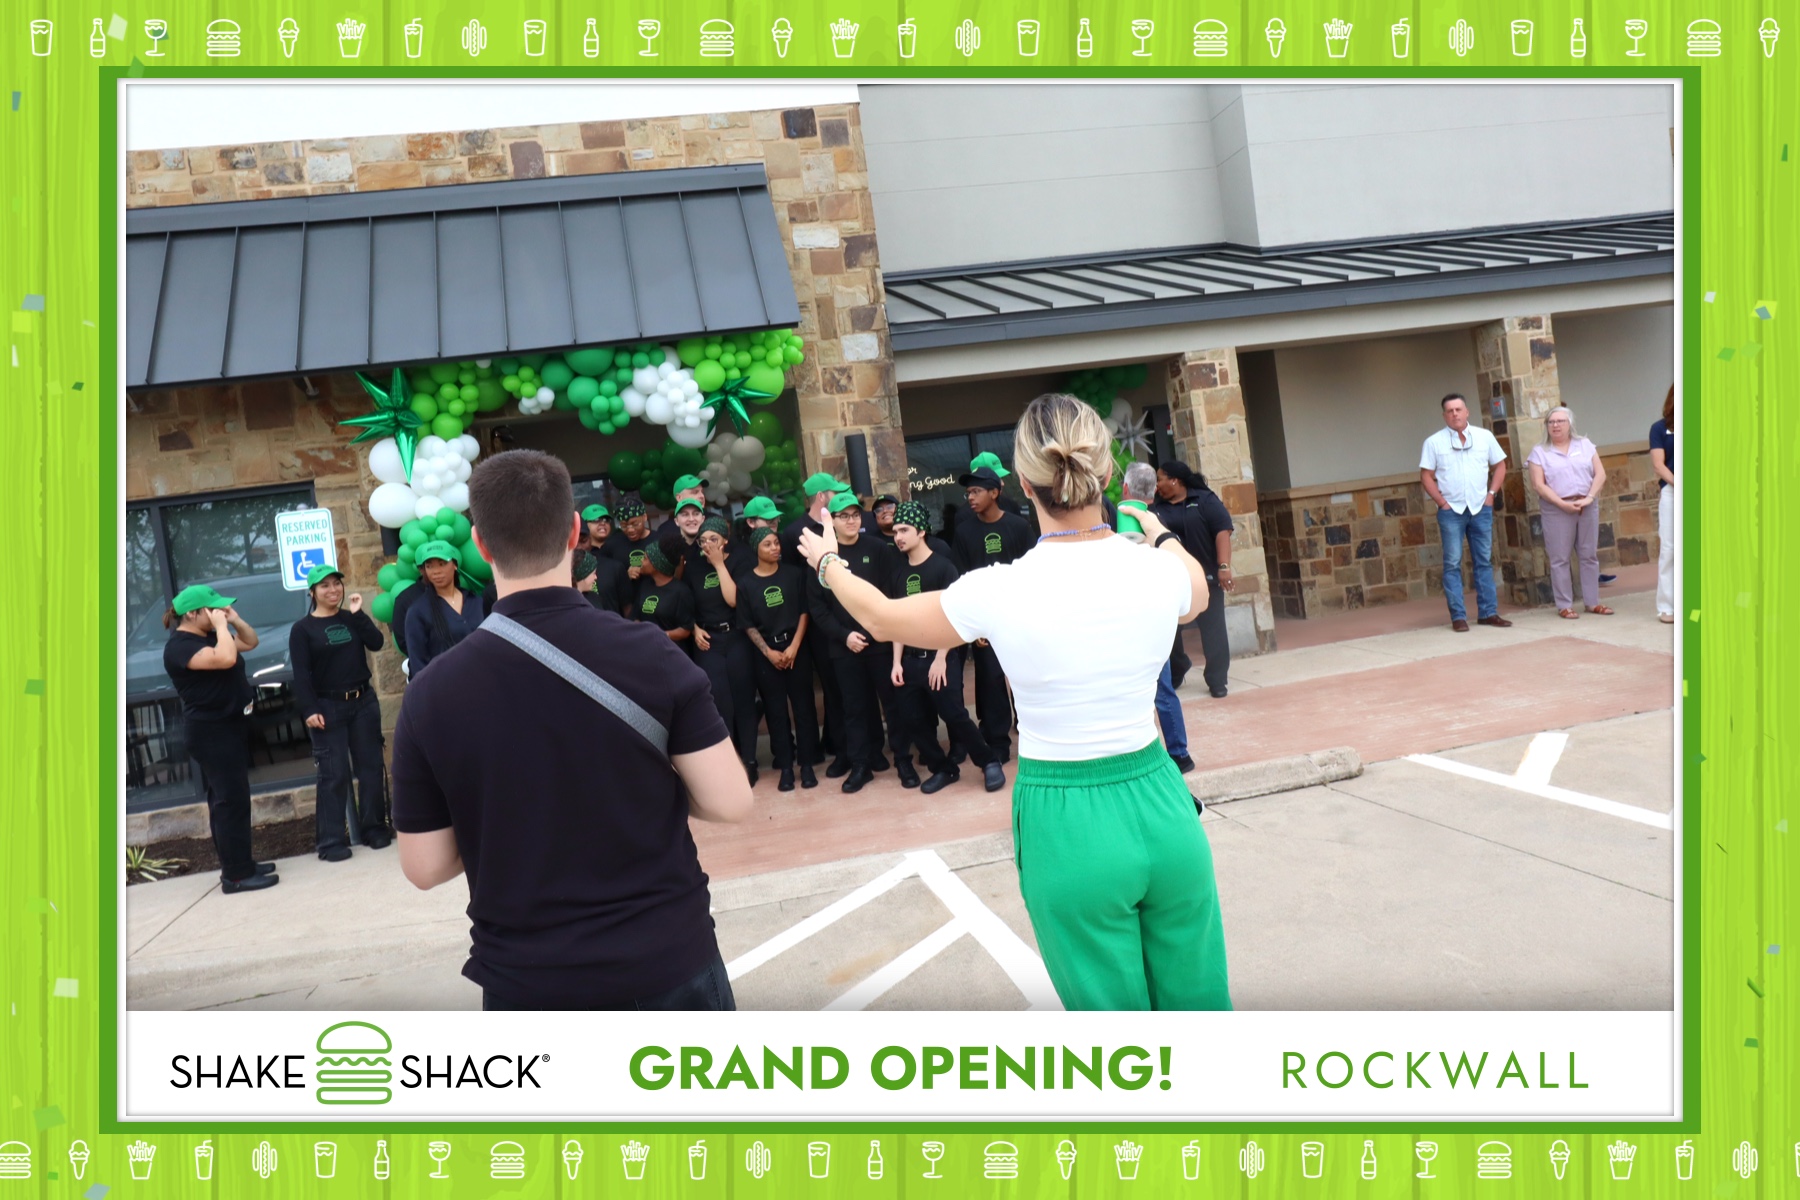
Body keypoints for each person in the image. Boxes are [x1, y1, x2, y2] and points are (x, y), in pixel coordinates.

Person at [800, 393, 1229, 1011]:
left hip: (1069, 820)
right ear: (1105, 474)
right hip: (1164, 804)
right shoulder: (1157, 571)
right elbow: (1198, 591)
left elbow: (883, 616)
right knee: (1202, 1015)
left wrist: (828, 563)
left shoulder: (998, 589)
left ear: (1023, 483)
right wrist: (1156, 528)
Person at [392, 449, 752, 1011]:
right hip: (665, 961)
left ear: (480, 545)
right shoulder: (650, 654)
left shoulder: (431, 694)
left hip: (529, 982)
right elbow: (729, 801)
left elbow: (425, 866)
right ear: (576, 532)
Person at [161, 585, 276, 893]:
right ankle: (235, 876)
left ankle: (242, 863)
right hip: (211, 731)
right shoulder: (179, 647)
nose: (217, 613)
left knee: (235, 800)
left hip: (230, 727)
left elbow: (250, 642)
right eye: (211, 609)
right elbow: (225, 659)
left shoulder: (211, 635)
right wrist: (222, 628)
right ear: (191, 614)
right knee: (228, 803)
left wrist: (234, 621)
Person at [885, 501, 1005, 794]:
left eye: (904, 530)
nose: (898, 536)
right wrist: (896, 662)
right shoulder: (899, 574)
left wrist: (941, 658)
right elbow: (897, 621)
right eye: (895, 531)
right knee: (913, 719)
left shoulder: (943, 568)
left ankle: (988, 761)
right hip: (910, 660)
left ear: (921, 531)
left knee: (953, 714)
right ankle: (943, 769)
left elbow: (955, 618)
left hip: (942, 656)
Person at [289, 565, 389, 861]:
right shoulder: (302, 629)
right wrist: (309, 708)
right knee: (334, 774)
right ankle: (330, 840)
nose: (333, 590)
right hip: (327, 707)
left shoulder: (350, 618)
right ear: (312, 592)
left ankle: (374, 828)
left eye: (336, 584)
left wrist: (359, 615)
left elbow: (377, 642)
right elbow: (301, 674)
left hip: (362, 702)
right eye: (324, 586)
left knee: (370, 768)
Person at [808, 491, 898, 793]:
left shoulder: (876, 548)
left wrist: (873, 630)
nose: (851, 520)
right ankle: (860, 765)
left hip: (879, 641)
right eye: (843, 516)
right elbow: (818, 608)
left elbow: (887, 593)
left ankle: (903, 759)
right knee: (854, 708)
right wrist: (845, 635)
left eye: (855, 515)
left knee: (891, 703)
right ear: (831, 521)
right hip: (843, 646)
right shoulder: (822, 558)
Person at [953, 464, 1035, 762]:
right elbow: (961, 579)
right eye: (968, 492)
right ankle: (998, 744)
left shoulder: (1018, 526)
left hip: (1018, 619)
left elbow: (1030, 573)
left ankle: (1033, 735)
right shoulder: (963, 531)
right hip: (985, 623)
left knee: (1028, 678)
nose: (970, 497)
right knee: (989, 683)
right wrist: (976, 627)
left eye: (976, 491)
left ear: (995, 492)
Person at [1419, 394, 1513, 633]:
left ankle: (1488, 612)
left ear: (1467, 411)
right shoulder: (1434, 442)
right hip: (1452, 511)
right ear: (1444, 415)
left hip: (1480, 507)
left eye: (1458, 409)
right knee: (1452, 563)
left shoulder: (1484, 437)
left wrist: (1491, 494)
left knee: (1484, 560)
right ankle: (1458, 616)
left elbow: (1500, 464)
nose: (1455, 414)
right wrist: (1441, 502)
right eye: (1449, 411)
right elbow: (1426, 475)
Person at [738, 526, 820, 792]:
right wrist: (768, 652)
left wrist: (795, 646)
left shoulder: (794, 575)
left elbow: (804, 612)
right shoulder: (746, 583)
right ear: (756, 550)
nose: (775, 548)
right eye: (768, 545)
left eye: (776, 543)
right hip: (767, 655)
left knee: (804, 709)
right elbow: (747, 624)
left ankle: (807, 764)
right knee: (776, 713)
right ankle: (786, 766)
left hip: (796, 649)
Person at [1126, 465, 1195, 772]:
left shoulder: (1120, 520)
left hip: (1131, 619)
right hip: (1158, 616)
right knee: (1163, 688)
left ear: (1126, 489)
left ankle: (1142, 756)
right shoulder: (1162, 523)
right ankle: (1180, 754)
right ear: (1153, 491)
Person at [1151, 460, 1235, 698]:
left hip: (1206, 578)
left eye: (1160, 479)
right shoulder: (1156, 509)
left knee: (1214, 631)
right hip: (1170, 583)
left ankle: (1217, 680)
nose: (1157, 485)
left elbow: (1222, 531)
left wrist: (1224, 566)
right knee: (1171, 634)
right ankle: (1178, 669)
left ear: (1175, 480)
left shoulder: (1204, 500)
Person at [688, 516, 759, 779]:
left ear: (725, 541)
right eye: (703, 540)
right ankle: (731, 763)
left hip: (736, 637)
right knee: (719, 703)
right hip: (709, 642)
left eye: (713, 540)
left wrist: (719, 564)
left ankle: (750, 761)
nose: (707, 545)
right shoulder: (694, 566)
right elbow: (686, 603)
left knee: (743, 701)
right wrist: (694, 627)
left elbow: (734, 601)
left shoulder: (738, 561)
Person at [1528, 406, 1610, 619]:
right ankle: (1564, 604)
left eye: (1560, 421)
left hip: (1587, 505)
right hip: (1557, 509)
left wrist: (1589, 498)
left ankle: (1592, 602)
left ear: (1569, 424)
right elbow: (1538, 484)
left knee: (1589, 555)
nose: (1555, 425)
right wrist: (1561, 504)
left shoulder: (1585, 445)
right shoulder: (1539, 452)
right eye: (1551, 422)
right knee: (1560, 558)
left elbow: (1600, 474)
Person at [404, 541, 486, 673]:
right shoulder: (418, 611)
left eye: (442, 564)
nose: (436, 572)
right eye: (429, 566)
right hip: (445, 687)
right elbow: (418, 662)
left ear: (454, 565)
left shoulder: (476, 601)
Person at [634, 527, 695, 650]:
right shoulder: (645, 585)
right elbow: (635, 616)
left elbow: (685, 629)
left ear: (657, 564)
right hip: (647, 649)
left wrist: (659, 635)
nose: (641, 561)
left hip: (671, 651)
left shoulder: (680, 591)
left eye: (645, 558)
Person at [1652, 386, 1675, 623]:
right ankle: (1667, 606)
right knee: (1670, 549)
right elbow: (1659, 465)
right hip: (1672, 492)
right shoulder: (1659, 428)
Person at [602, 497, 653, 577]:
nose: (630, 530)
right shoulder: (611, 545)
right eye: (624, 525)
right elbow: (605, 576)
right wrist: (625, 576)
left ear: (644, 517)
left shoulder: (659, 540)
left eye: (635, 524)